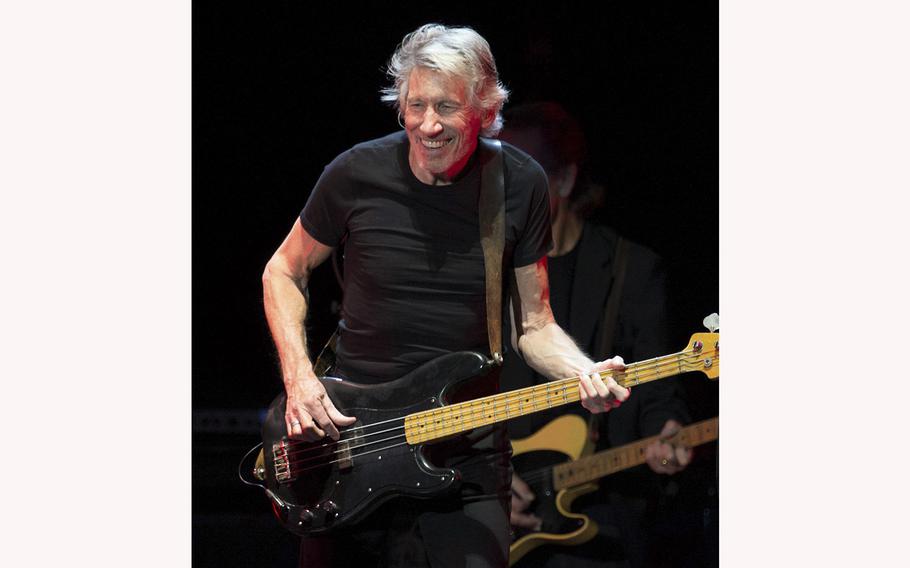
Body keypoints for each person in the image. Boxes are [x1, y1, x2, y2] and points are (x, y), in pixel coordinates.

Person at [261, 25, 631, 568]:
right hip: (352, 450)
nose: (428, 124)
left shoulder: (519, 183)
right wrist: (298, 378)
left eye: (447, 108)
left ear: (484, 110)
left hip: (467, 456)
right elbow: (281, 271)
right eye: (416, 105)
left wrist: (583, 372)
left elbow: (535, 325)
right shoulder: (355, 173)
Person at [498, 102, 692, 567]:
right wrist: (488, 479)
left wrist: (667, 432)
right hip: (499, 508)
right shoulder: (487, 273)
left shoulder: (633, 269)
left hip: (599, 517)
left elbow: (659, 387)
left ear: (563, 180)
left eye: (520, 177)